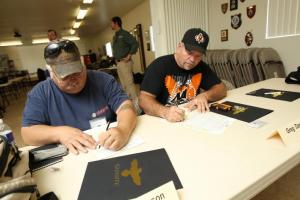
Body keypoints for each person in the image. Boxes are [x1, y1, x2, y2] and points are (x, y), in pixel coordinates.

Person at [21, 40, 137, 155]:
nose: (73, 79)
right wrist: (59, 133)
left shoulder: (103, 80)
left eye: (77, 72)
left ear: (83, 63)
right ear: (51, 74)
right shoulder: (40, 93)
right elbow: (27, 133)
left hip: (107, 149)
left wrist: (123, 130)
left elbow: (125, 106)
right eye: (65, 76)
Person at [139, 28, 227, 122]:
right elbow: (143, 100)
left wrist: (205, 95)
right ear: (179, 46)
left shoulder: (201, 66)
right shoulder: (159, 65)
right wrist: (165, 112)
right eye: (189, 53)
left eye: (198, 56)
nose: (193, 59)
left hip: (188, 118)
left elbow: (222, 88)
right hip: (158, 120)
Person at [111, 16, 139, 102]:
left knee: (129, 84)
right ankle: (129, 102)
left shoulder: (124, 34)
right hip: (118, 63)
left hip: (125, 62)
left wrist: (130, 55)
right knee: (123, 85)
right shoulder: (115, 36)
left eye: (111, 23)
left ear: (116, 23)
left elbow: (135, 43)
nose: (110, 25)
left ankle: (137, 104)